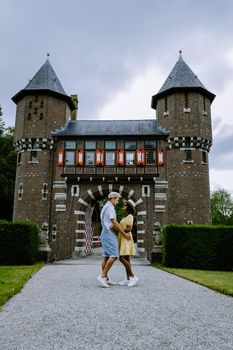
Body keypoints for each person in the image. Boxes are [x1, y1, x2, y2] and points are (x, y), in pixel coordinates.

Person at [97, 192, 131, 288]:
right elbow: (114, 222)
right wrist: (124, 234)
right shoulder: (110, 208)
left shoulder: (104, 207)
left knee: (106, 256)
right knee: (114, 255)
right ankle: (102, 276)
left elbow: (107, 222)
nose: (117, 201)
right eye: (117, 200)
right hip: (109, 234)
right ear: (112, 198)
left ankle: (106, 278)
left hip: (104, 233)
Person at [118, 199, 139, 287]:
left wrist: (119, 230)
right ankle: (128, 279)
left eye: (125, 205)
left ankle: (133, 276)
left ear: (128, 207)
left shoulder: (130, 216)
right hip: (122, 238)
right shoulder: (124, 216)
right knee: (126, 259)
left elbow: (129, 229)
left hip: (126, 238)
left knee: (121, 258)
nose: (123, 206)